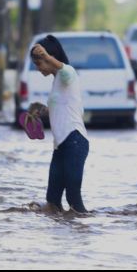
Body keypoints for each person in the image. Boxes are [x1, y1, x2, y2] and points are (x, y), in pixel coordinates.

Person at [29, 35, 90, 213]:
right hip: (61, 145)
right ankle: (57, 236)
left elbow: (64, 69)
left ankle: (83, 233)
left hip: (75, 141)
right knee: (52, 201)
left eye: (39, 63)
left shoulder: (68, 74)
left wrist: (47, 57)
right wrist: (40, 111)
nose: (37, 67)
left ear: (51, 57)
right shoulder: (57, 81)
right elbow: (59, 110)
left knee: (73, 200)